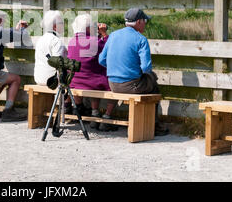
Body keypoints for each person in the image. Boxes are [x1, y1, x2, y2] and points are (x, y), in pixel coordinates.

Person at [99, 8, 169, 136]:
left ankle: (109, 117)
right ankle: (154, 125)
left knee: (148, 81)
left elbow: (101, 60)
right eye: (145, 21)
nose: (145, 23)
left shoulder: (113, 35)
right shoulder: (141, 39)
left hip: (113, 84)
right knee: (153, 82)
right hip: (132, 85)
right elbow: (146, 68)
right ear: (138, 21)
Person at [67, 14, 117, 131]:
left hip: (75, 82)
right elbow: (112, 47)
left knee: (95, 72)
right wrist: (104, 34)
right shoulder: (96, 41)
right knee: (112, 82)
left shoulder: (72, 41)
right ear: (88, 28)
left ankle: (95, 112)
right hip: (93, 83)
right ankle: (107, 116)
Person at [34, 10, 67, 88]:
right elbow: (59, 64)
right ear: (55, 26)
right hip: (52, 81)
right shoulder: (57, 41)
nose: (64, 25)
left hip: (39, 79)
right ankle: (66, 100)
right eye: (61, 23)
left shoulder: (40, 39)